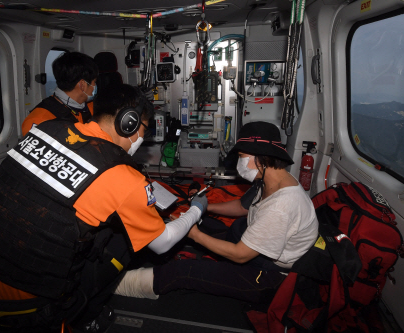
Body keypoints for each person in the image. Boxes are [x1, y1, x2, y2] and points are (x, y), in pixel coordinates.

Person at [0, 84, 209, 332]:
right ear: (128, 123)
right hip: (27, 305)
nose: (143, 136)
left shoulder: (46, 128)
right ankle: (86, 316)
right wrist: (196, 209)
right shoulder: (123, 176)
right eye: (144, 129)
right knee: (125, 241)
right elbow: (162, 243)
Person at [114, 121, 319, 305]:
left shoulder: (281, 205)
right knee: (211, 225)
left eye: (241, 157)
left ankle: (118, 285)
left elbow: (240, 255)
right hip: (261, 253)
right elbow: (242, 206)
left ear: (260, 158)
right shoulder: (272, 179)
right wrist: (204, 207)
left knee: (186, 271)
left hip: (272, 276)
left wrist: (195, 234)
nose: (239, 163)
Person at [21, 51, 99, 136]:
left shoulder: (93, 108)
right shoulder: (40, 120)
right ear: (82, 85)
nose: (95, 86)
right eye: (94, 82)